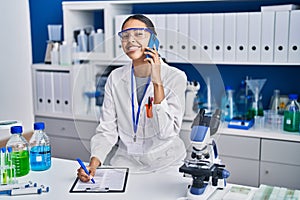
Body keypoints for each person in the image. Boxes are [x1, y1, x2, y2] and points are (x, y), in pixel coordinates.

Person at [77, 14, 187, 182]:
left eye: (138, 34)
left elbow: (167, 132)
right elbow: (107, 130)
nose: (130, 40)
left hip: (165, 165)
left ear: (153, 41)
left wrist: (157, 82)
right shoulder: (115, 78)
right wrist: (94, 163)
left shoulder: (175, 77)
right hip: (126, 164)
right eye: (125, 36)